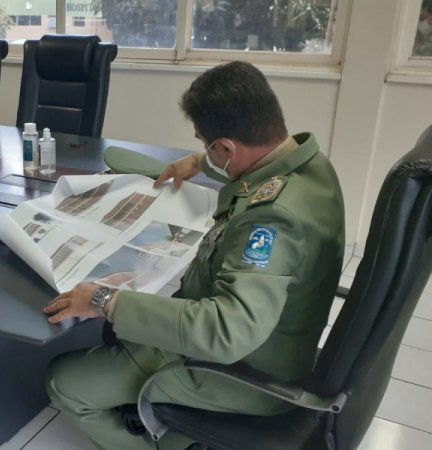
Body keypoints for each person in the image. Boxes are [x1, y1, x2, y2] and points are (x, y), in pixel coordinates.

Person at [43, 61, 345, 449]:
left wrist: (104, 299)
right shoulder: (311, 168)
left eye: (206, 145)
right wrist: (200, 162)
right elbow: (256, 173)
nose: (204, 152)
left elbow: (225, 332)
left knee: (63, 381)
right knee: (119, 326)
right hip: (276, 343)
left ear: (227, 147)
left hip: (243, 372)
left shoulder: (272, 221)